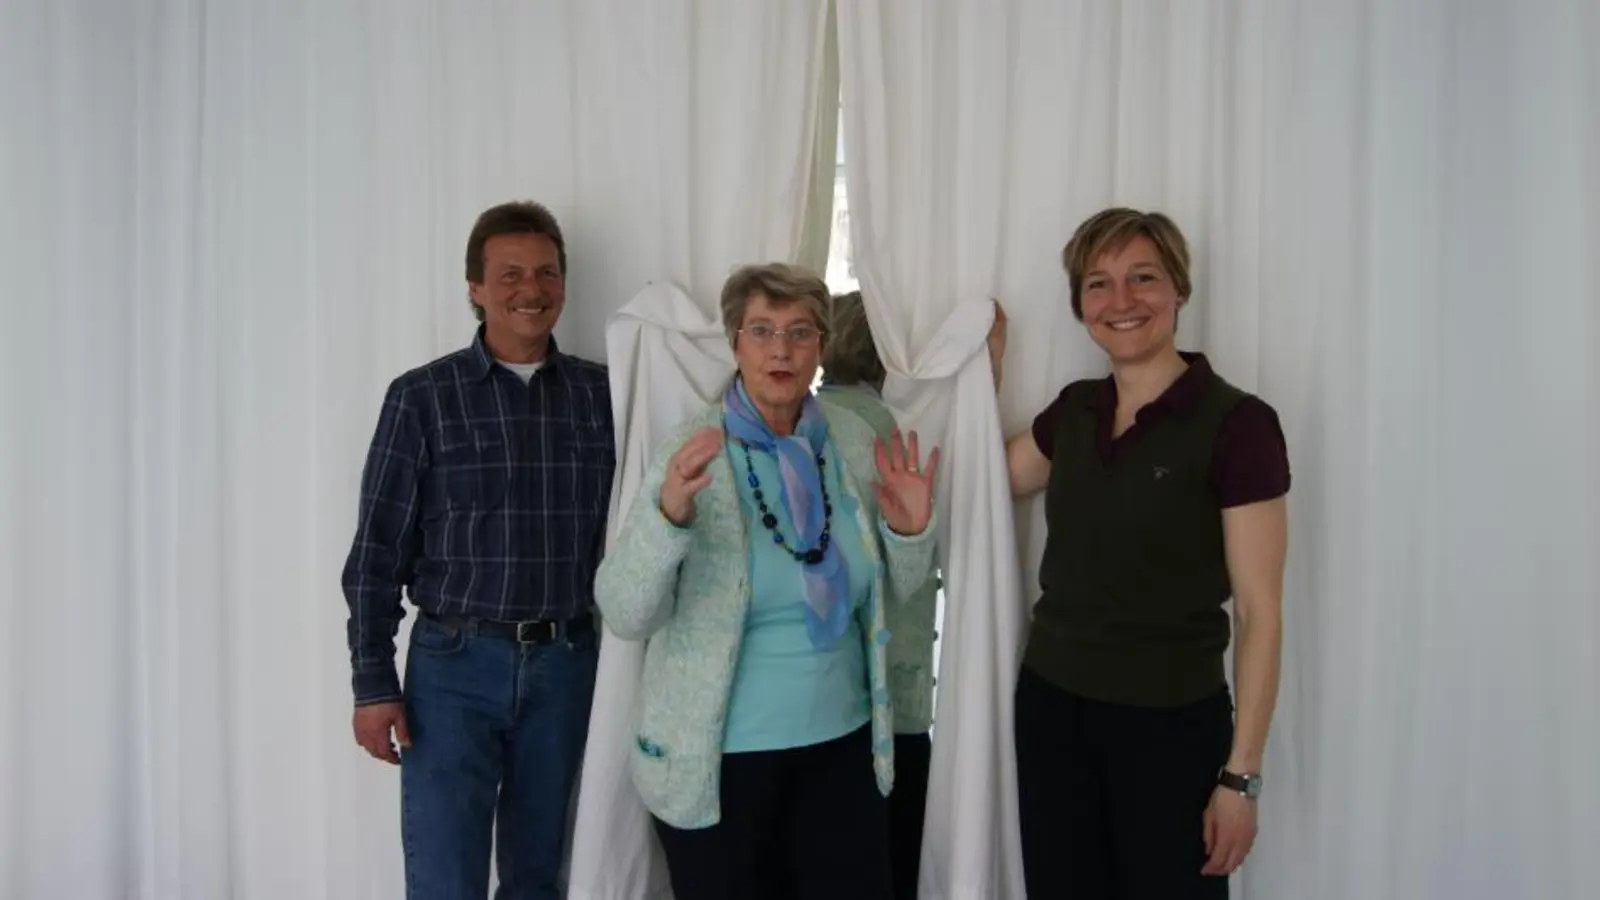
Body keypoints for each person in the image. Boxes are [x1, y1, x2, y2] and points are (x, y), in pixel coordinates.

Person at [594, 263, 941, 900]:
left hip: (844, 748)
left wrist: (911, 534)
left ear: (821, 347)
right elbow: (624, 611)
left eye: (800, 332)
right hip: (721, 765)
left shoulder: (855, 443)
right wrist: (667, 519)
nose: (781, 349)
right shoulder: (692, 450)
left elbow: (896, 591)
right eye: (761, 330)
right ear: (734, 344)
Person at [1001, 208, 1290, 898]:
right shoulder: (1074, 412)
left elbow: (1260, 613)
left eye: (1143, 278)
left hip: (1171, 728)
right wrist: (970, 372)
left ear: (1179, 290)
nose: (1122, 302)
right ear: (1079, 306)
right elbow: (987, 485)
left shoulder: (1237, 423)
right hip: (1051, 714)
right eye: (1098, 284)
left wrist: (1239, 777)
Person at [340, 201, 615, 899]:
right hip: (454, 672)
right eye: (510, 274)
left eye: (547, 273)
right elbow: (375, 555)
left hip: (567, 667)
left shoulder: (603, 397)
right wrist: (373, 683)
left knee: (538, 877)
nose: (532, 289)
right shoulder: (422, 399)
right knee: (444, 877)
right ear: (475, 288)